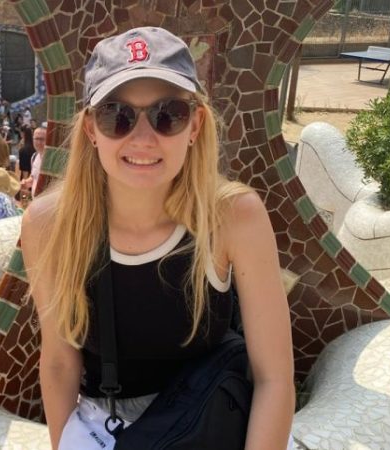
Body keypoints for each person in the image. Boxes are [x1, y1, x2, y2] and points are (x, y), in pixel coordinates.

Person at [20, 27, 294, 450]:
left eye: (169, 114)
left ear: (195, 125)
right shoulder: (48, 224)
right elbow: (59, 363)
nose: (144, 139)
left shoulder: (233, 217)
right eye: (117, 115)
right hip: (108, 425)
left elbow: (273, 377)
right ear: (91, 128)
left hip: (214, 417)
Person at [19, 126, 47, 199]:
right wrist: (26, 182)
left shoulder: (51, 160)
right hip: (35, 201)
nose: (39, 142)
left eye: (42, 139)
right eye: (36, 139)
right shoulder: (34, 157)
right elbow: (33, 177)